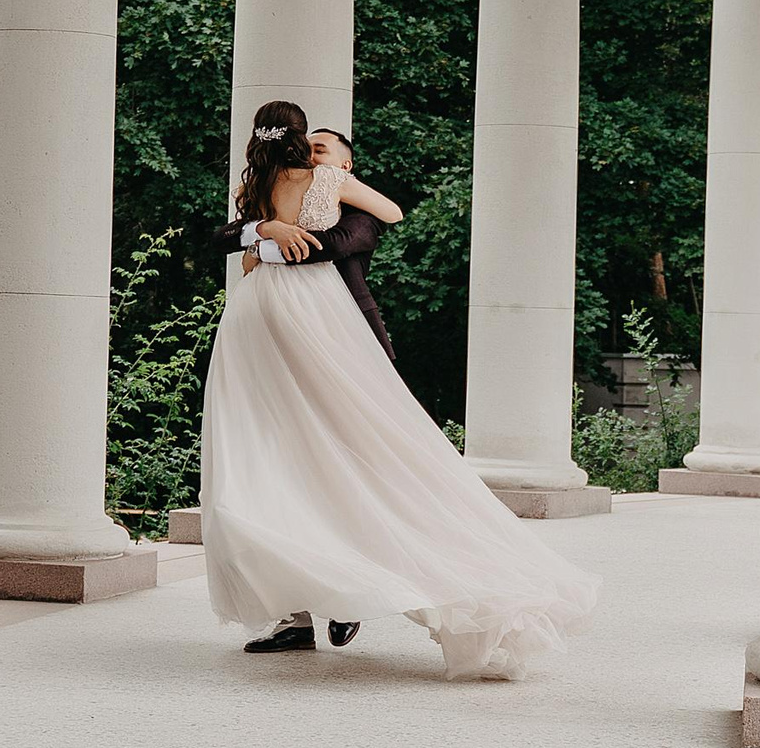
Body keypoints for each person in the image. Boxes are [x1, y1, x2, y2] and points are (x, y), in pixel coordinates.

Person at [199, 99, 600, 676]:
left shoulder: (258, 187)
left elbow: (241, 241)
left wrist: (266, 233)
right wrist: (299, 215)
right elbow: (390, 210)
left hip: (257, 313)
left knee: (278, 443)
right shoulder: (326, 180)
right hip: (314, 312)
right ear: (299, 136)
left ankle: (331, 591)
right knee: (322, 444)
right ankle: (319, 600)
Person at [212, 127, 394, 363]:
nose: (308, 157)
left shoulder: (363, 218)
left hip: (345, 324)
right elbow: (221, 238)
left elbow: (330, 246)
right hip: (282, 314)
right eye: (304, 149)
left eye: (319, 151)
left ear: (345, 167)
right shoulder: (280, 200)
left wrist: (259, 250)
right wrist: (265, 228)